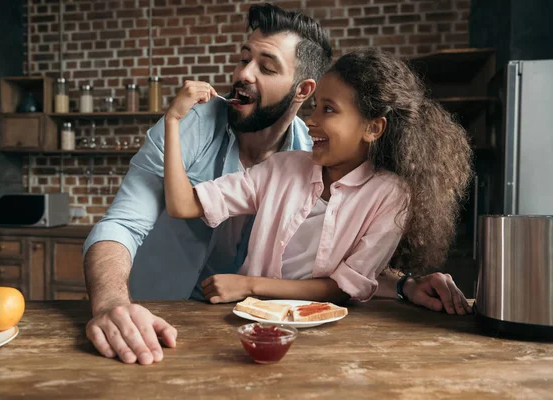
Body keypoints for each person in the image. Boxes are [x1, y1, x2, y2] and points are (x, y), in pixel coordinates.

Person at [83, 3, 472, 365]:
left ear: (303, 90)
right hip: (156, 316)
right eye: (243, 59)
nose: (242, 74)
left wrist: (404, 286)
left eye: (266, 67)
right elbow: (123, 223)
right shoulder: (193, 127)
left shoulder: (315, 156)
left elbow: (334, 267)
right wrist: (110, 304)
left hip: (257, 327)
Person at [162, 48, 473, 305]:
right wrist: (174, 121)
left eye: (328, 109)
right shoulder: (280, 169)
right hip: (251, 320)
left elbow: (343, 287)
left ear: (372, 128)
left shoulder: (391, 195)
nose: (310, 119)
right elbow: (182, 205)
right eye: (314, 107)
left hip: (326, 327)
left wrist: (250, 285)